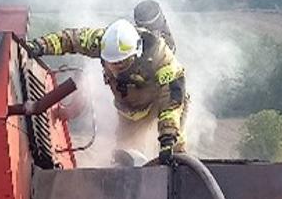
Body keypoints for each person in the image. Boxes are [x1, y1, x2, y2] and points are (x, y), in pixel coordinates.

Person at [22, 15, 189, 162]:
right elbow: (69, 39)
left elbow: (171, 101)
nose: (116, 69)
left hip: (164, 103)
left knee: (174, 151)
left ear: (136, 52)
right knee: (125, 156)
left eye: (122, 63)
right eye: (112, 64)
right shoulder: (101, 42)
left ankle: (179, 170)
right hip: (131, 112)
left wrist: (167, 138)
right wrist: (38, 46)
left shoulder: (160, 56)